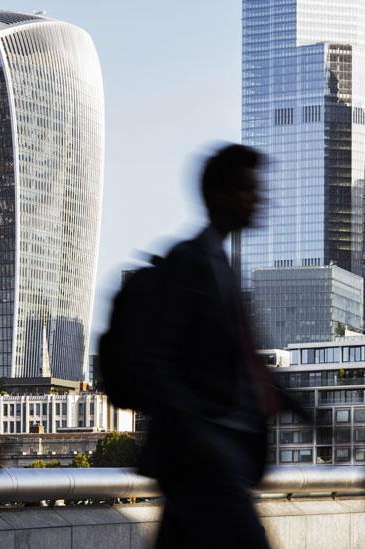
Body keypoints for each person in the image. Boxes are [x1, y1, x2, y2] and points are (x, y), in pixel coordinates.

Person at [139, 144, 279, 548]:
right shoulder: (190, 263)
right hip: (206, 458)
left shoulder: (223, 268)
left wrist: (304, 410)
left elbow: (246, 366)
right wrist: (198, 433)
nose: (258, 199)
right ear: (217, 196)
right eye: (247, 190)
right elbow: (156, 359)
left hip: (213, 454)